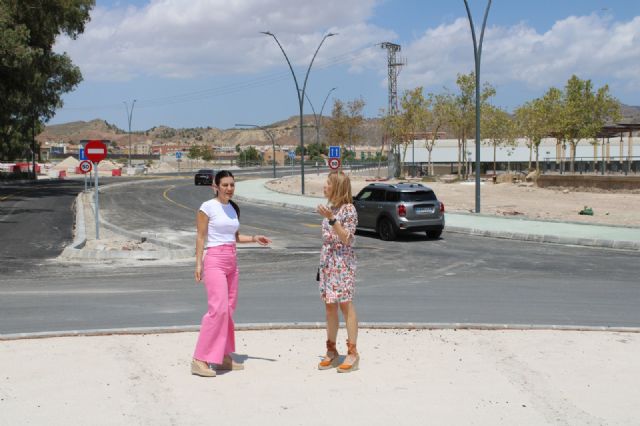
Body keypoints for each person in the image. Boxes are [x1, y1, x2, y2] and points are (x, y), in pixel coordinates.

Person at [191, 170, 271, 377]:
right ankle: (199, 359)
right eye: (225, 185)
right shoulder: (207, 207)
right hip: (215, 260)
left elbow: (233, 237)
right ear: (215, 187)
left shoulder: (233, 208)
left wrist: (254, 238)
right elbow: (201, 237)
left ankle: (223, 356)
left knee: (229, 309)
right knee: (217, 310)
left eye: (232, 185)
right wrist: (198, 264)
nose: (229, 189)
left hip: (232, 261)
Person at [315, 170, 359, 373]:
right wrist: (330, 215)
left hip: (343, 262)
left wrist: (332, 219)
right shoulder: (331, 208)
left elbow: (347, 239)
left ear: (337, 187)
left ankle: (352, 353)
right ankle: (331, 350)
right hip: (328, 262)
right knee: (329, 307)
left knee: (345, 305)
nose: (324, 186)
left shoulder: (349, 209)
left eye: (327, 183)